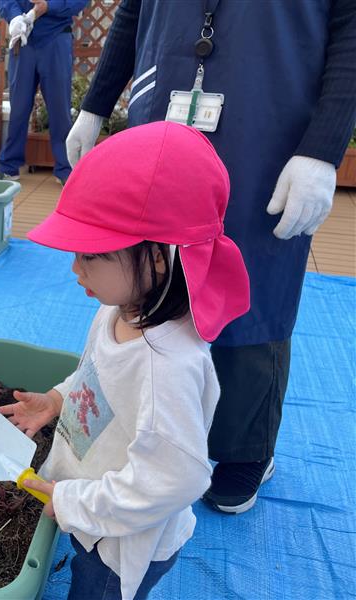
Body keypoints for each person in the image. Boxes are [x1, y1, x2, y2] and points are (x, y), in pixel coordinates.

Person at [66, 0, 356, 514]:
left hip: (271, 107)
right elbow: (133, 11)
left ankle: (246, 444)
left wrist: (324, 147)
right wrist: (96, 103)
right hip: (166, 101)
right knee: (150, 268)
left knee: (253, 277)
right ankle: (143, 418)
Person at [0, 121, 250, 599]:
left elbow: (176, 478)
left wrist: (76, 502)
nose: (75, 268)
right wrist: (57, 399)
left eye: (91, 255)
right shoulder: (119, 309)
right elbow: (97, 375)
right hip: (94, 515)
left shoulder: (165, 366)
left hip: (120, 544)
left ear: (158, 259)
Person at [0, 0, 86, 186]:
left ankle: (65, 168)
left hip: (56, 38)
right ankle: (8, 166)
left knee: (60, 109)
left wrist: (49, 6)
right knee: (18, 108)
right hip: (23, 39)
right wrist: (15, 16)